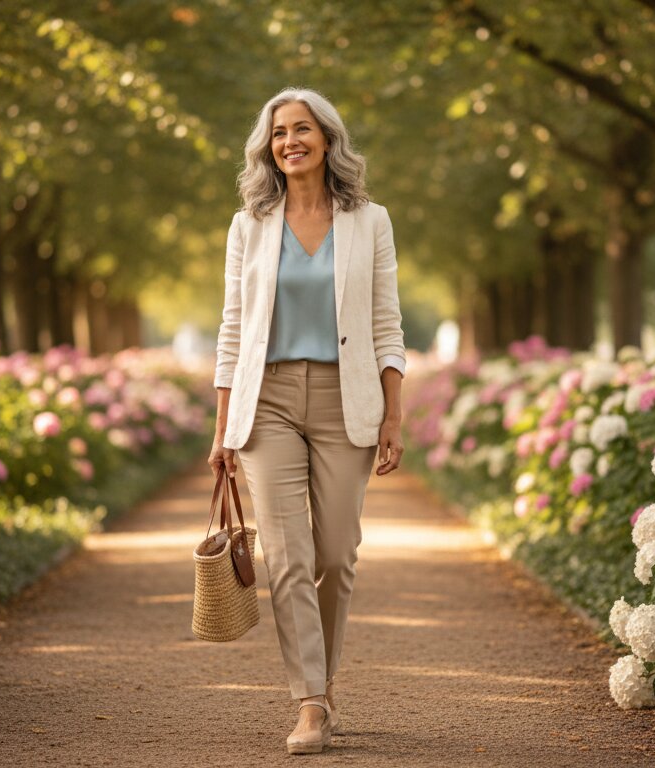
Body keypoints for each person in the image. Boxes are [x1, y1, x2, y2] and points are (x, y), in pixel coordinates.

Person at [208, 87, 405, 755]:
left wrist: (394, 417)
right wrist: (222, 428)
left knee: (335, 556)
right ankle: (310, 702)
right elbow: (232, 331)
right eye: (277, 132)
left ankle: (322, 681)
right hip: (265, 403)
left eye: (301, 129)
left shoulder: (370, 221)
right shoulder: (249, 226)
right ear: (268, 147)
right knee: (288, 558)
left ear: (326, 138)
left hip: (345, 401)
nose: (289, 140)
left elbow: (386, 325)